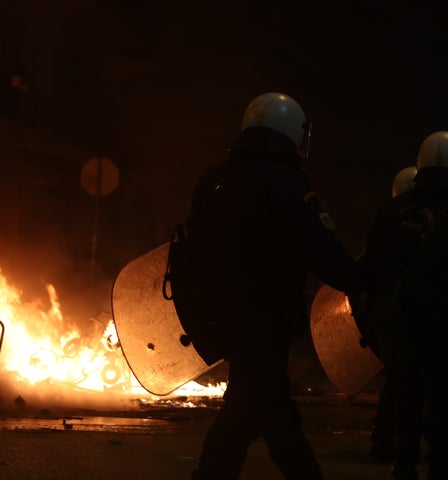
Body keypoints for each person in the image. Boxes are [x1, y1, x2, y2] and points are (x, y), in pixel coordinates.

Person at [183, 92, 364, 480]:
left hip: (219, 321)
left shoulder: (214, 181)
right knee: (246, 414)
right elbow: (323, 251)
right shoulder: (288, 185)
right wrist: (363, 281)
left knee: (270, 412)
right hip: (265, 322)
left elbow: (191, 250)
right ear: (291, 134)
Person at [360, 131, 448, 480]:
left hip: (401, 323)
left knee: (405, 396)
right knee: (442, 403)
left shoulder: (393, 210)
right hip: (442, 325)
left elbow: (370, 270)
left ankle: (403, 464)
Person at [364, 165, 417, 464]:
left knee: (398, 377)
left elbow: (370, 266)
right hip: (419, 312)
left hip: (391, 313)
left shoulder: (388, 217)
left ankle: (384, 440)